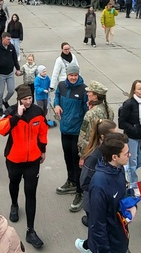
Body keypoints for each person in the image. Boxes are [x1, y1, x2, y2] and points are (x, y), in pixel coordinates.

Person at [0, 84, 48, 249]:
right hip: (14, 159)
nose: (28, 102)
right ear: (19, 99)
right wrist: (16, 116)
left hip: (32, 160)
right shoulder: (11, 111)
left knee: (31, 193)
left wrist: (43, 150)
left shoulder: (37, 112)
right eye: (25, 99)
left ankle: (30, 230)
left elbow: (42, 131)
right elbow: (1, 130)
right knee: (14, 184)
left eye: (30, 98)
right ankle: (14, 204)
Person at [77, 133, 136, 253]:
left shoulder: (119, 168)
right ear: (114, 157)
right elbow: (98, 226)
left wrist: (133, 205)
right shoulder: (99, 185)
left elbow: (124, 191)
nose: (129, 155)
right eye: (126, 153)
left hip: (119, 234)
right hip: (109, 244)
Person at [71, 81, 114, 212]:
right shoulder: (109, 110)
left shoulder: (90, 114)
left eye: (89, 92)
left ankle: (90, 209)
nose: (87, 93)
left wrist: (82, 156)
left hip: (92, 153)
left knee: (89, 182)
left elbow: (84, 137)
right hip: (105, 151)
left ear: (95, 96)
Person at [53, 64, 89, 205]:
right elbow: (56, 96)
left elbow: (87, 111)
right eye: (71, 75)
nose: (73, 77)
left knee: (78, 161)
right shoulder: (62, 86)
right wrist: (56, 105)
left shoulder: (84, 90)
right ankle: (71, 181)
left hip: (77, 132)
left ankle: (80, 192)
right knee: (67, 157)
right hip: (65, 130)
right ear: (67, 75)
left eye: (75, 75)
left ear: (78, 75)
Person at [119, 80, 141, 183]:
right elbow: (121, 122)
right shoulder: (129, 104)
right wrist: (133, 128)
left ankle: (127, 170)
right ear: (134, 90)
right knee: (132, 162)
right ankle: (133, 184)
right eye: (139, 89)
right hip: (132, 137)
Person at [0, 33, 22, 117]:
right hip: (0, 74)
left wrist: (18, 69)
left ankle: (5, 100)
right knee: (0, 92)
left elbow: (15, 58)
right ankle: (0, 107)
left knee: (11, 90)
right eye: (8, 39)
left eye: (10, 39)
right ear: (3, 39)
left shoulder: (11, 47)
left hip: (10, 73)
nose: (9, 41)